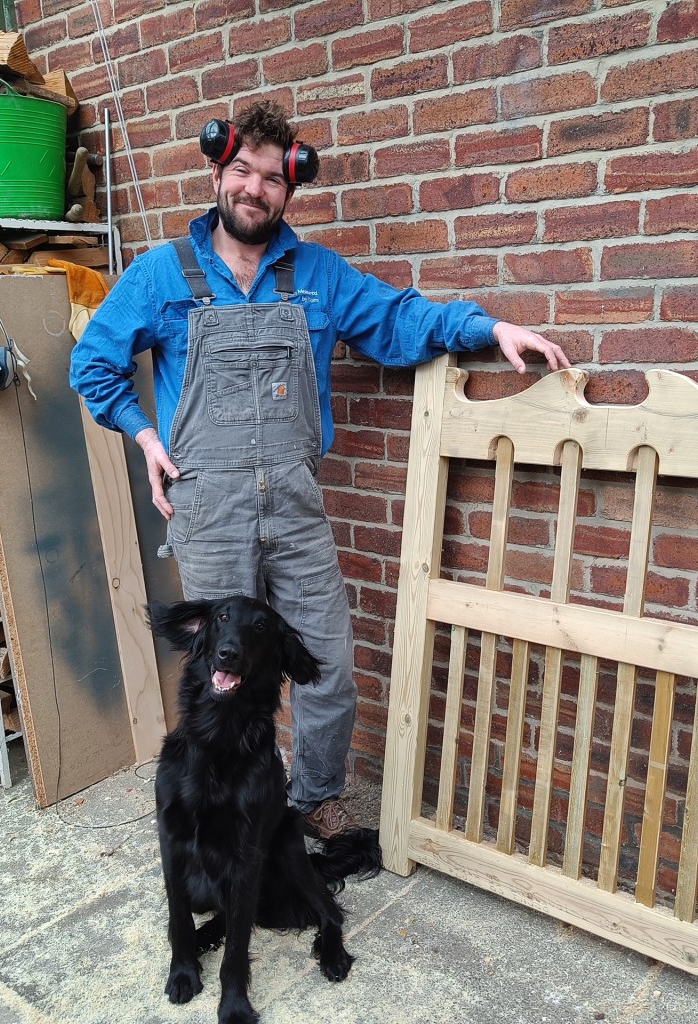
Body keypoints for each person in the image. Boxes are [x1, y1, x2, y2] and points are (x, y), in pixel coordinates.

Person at [70, 100, 570, 840]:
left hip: (297, 508)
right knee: (224, 676)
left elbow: (399, 322)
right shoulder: (161, 276)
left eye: (272, 179)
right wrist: (144, 436)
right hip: (209, 512)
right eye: (242, 171)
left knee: (326, 663)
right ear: (218, 170)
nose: (255, 189)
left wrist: (489, 328)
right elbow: (94, 364)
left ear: (289, 188)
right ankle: (228, 812)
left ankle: (314, 798)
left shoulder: (316, 277)